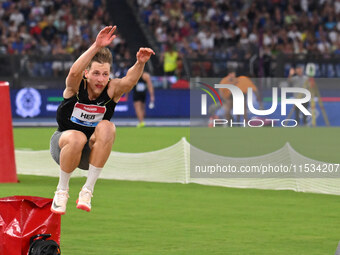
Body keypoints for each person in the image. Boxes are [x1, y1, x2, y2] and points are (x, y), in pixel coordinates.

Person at [50, 25, 155, 214]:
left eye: (105, 74)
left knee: (108, 127)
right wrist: (96, 46)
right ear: (86, 73)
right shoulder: (76, 86)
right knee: (77, 137)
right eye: (96, 73)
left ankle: (87, 191)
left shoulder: (111, 89)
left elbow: (129, 81)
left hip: (90, 152)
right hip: (64, 145)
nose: (101, 79)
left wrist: (140, 63)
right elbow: (73, 73)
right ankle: (61, 191)